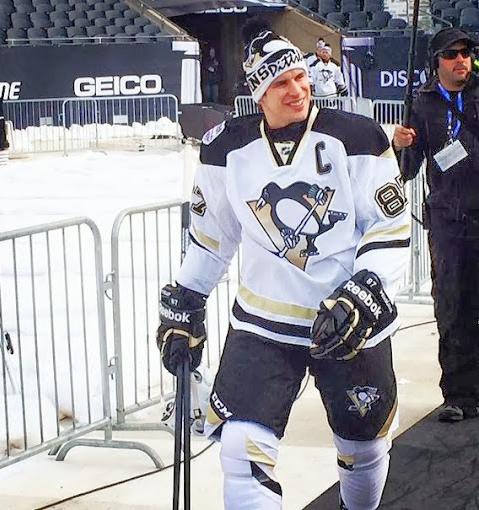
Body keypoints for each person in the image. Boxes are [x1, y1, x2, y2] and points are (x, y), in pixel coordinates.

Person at [157, 20, 410, 510]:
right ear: (258, 94)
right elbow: (211, 238)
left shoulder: (359, 136)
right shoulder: (224, 148)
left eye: (299, 77)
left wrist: (368, 290)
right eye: (279, 83)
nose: (296, 90)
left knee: (363, 448)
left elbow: (388, 226)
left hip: (347, 320)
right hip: (264, 322)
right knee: (240, 451)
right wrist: (186, 298)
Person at [393, 27, 479, 423]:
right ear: (436, 62)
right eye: (451, 54)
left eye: (465, 52)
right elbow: (408, 170)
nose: (461, 60)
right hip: (447, 224)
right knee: (452, 308)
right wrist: (401, 147)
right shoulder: (422, 104)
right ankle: (459, 395)